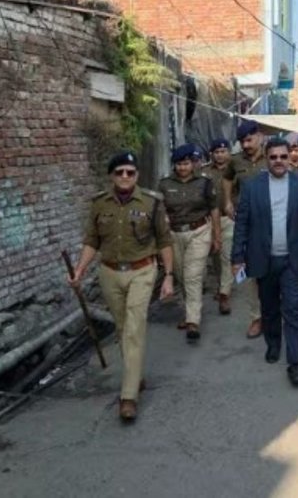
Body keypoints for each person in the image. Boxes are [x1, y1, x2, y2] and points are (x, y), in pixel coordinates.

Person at [71, 151, 174, 422]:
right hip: (110, 274)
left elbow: (164, 240)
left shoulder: (151, 202)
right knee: (121, 328)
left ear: (137, 175)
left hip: (142, 271)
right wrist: (80, 269)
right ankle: (135, 374)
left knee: (133, 329)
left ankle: (128, 396)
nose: (125, 176)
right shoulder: (99, 204)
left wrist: (169, 276)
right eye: (119, 172)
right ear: (111, 176)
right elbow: (92, 240)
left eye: (130, 172)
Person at [232, 137, 298, 387]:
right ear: (266, 159)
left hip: (294, 259)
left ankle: (294, 361)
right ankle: (273, 343)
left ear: (289, 157)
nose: (279, 161)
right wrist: (237, 257)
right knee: (269, 309)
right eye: (273, 157)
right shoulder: (252, 187)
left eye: (283, 156)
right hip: (264, 259)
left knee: (293, 309)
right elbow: (242, 224)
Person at [158, 144, 221, 342]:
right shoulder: (164, 184)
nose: (183, 168)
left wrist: (217, 235)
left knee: (192, 275)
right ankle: (189, 310)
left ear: (192, 164)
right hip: (174, 234)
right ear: (174, 165)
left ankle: (193, 320)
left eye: (186, 163)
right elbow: (159, 210)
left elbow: (214, 209)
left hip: (199, 232)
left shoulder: (204, 182)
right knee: (180, 275)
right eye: (179, 164)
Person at [223, 120, 268, 338]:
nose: (246, 145)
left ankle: (275, 314)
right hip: (248, 223)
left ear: (259, 136)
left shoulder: (273, 156)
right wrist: (228, 201)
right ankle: (256, 318)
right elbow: (227, 179)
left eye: (249, 140)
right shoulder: (235, 160)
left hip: (273, 222)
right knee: (252, 274)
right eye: (242, 141)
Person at [203, 138, 235, 315]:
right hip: (209, 220)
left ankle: (224, 294)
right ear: (212, 154)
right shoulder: (204, 172)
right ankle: (221, 284)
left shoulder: (236, 170)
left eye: (223, 151)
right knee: (215, 255)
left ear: (228, 152)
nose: (220, 155)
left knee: (226, 256)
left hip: (229, 218)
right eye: (217, 152)